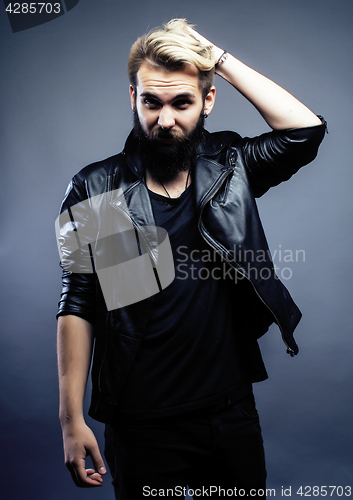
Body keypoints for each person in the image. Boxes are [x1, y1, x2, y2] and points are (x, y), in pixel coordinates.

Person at [56, 18, 326, 499]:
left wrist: (217, 58)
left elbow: (305, 131)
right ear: (132, 98)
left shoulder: (230, 167)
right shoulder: (98, 187)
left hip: (231, 412)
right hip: (143, 423)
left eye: (182, 102)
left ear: (208, 101)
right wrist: (70, 419)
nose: (165, 120)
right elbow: (79, 305)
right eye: (151, 102)